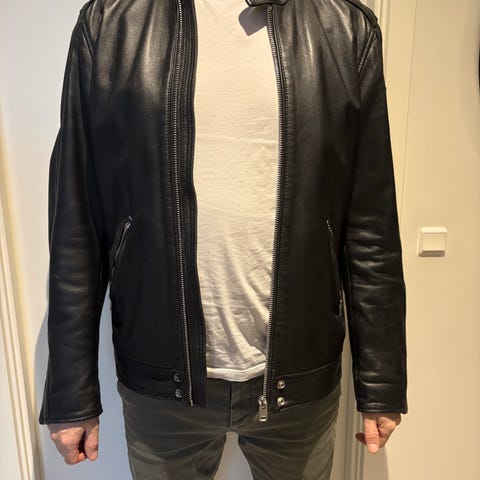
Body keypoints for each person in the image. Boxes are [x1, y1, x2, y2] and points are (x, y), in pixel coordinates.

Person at [40, 0, 407, 478]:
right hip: (161, 383)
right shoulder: (112, 22)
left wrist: (381, 381)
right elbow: (77, 216)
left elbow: (370, 223)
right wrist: (70, 393)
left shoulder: (344, 27)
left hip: (299, 382)